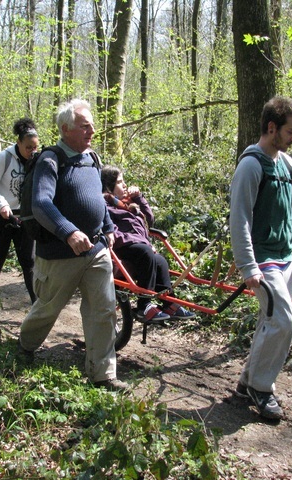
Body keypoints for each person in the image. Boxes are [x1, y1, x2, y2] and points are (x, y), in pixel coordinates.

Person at [18, 99, 127, 391]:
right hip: (59, 253)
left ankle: (103, 374)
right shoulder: (50, 160)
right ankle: (25, 346)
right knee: (49, 308)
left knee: (103, 310)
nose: (92, 130)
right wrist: (68, 232)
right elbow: (41, 204)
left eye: (91, 125)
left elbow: (98, 199)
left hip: (95, 250)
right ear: (66, 129)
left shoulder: (92, 158)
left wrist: (108, 227)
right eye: (84, 126)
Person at [229, 96, 292, 420]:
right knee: (283, 321)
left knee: (270, 322)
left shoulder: (287, 164)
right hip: (263, 259)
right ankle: (262, 388)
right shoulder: (251, 165)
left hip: (283, 257)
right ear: (272, 127)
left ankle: (245, 383)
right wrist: (247, 266)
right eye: (291, 132)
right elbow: (238, 219)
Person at [101, 166, 195, 322]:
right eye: (119, 182)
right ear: (108, 186)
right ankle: (144, 305)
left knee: (160, 260)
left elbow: (149, 220)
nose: (124, 185)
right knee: (146, 252)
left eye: (124, 181)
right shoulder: (104, 204)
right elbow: (110, 230)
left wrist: (139, 197)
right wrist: (138, 241)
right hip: (118, 247)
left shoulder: (128, 204)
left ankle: (168, 302)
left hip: (137, 247)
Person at [0, 118, 39, 314]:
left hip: (24, 218)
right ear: (19, 143)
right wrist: (2, 205)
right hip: (0, 216)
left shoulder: (37, 160)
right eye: (28, 147)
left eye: (35, 147)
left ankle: (36, 302)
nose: (32, 151)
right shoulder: (4, 158)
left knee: (29, 260)